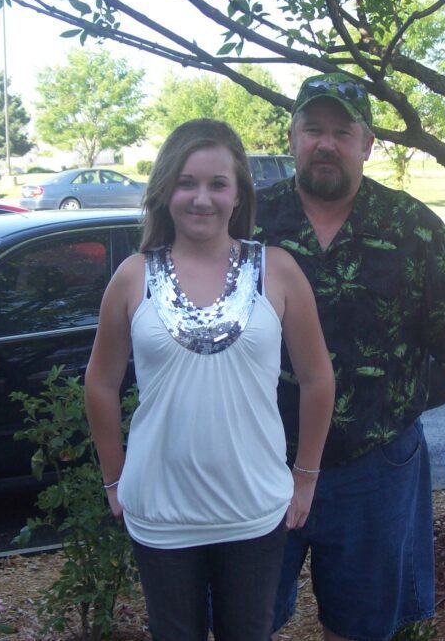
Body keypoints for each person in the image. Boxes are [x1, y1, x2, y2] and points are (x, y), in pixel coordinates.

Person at [255, 73, 445, 641]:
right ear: (291, 137)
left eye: (343, 131)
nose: (326, 143)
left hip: (375, 466)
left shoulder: (414, 230)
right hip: (258, 461)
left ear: (367, 144)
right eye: (313, 129)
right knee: (245, 619)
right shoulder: (246, 223)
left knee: (363, 626)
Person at [84, 118, 335, 641]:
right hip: (160, 509)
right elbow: (101, 384)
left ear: (239, 192)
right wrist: (115, 478)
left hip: (252, 508)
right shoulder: (133, 276)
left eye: (217, 184)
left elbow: (317, 378)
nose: (202, 199)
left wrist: (305, 476)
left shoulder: (278, 271)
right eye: (187, 182)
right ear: (164, 191)